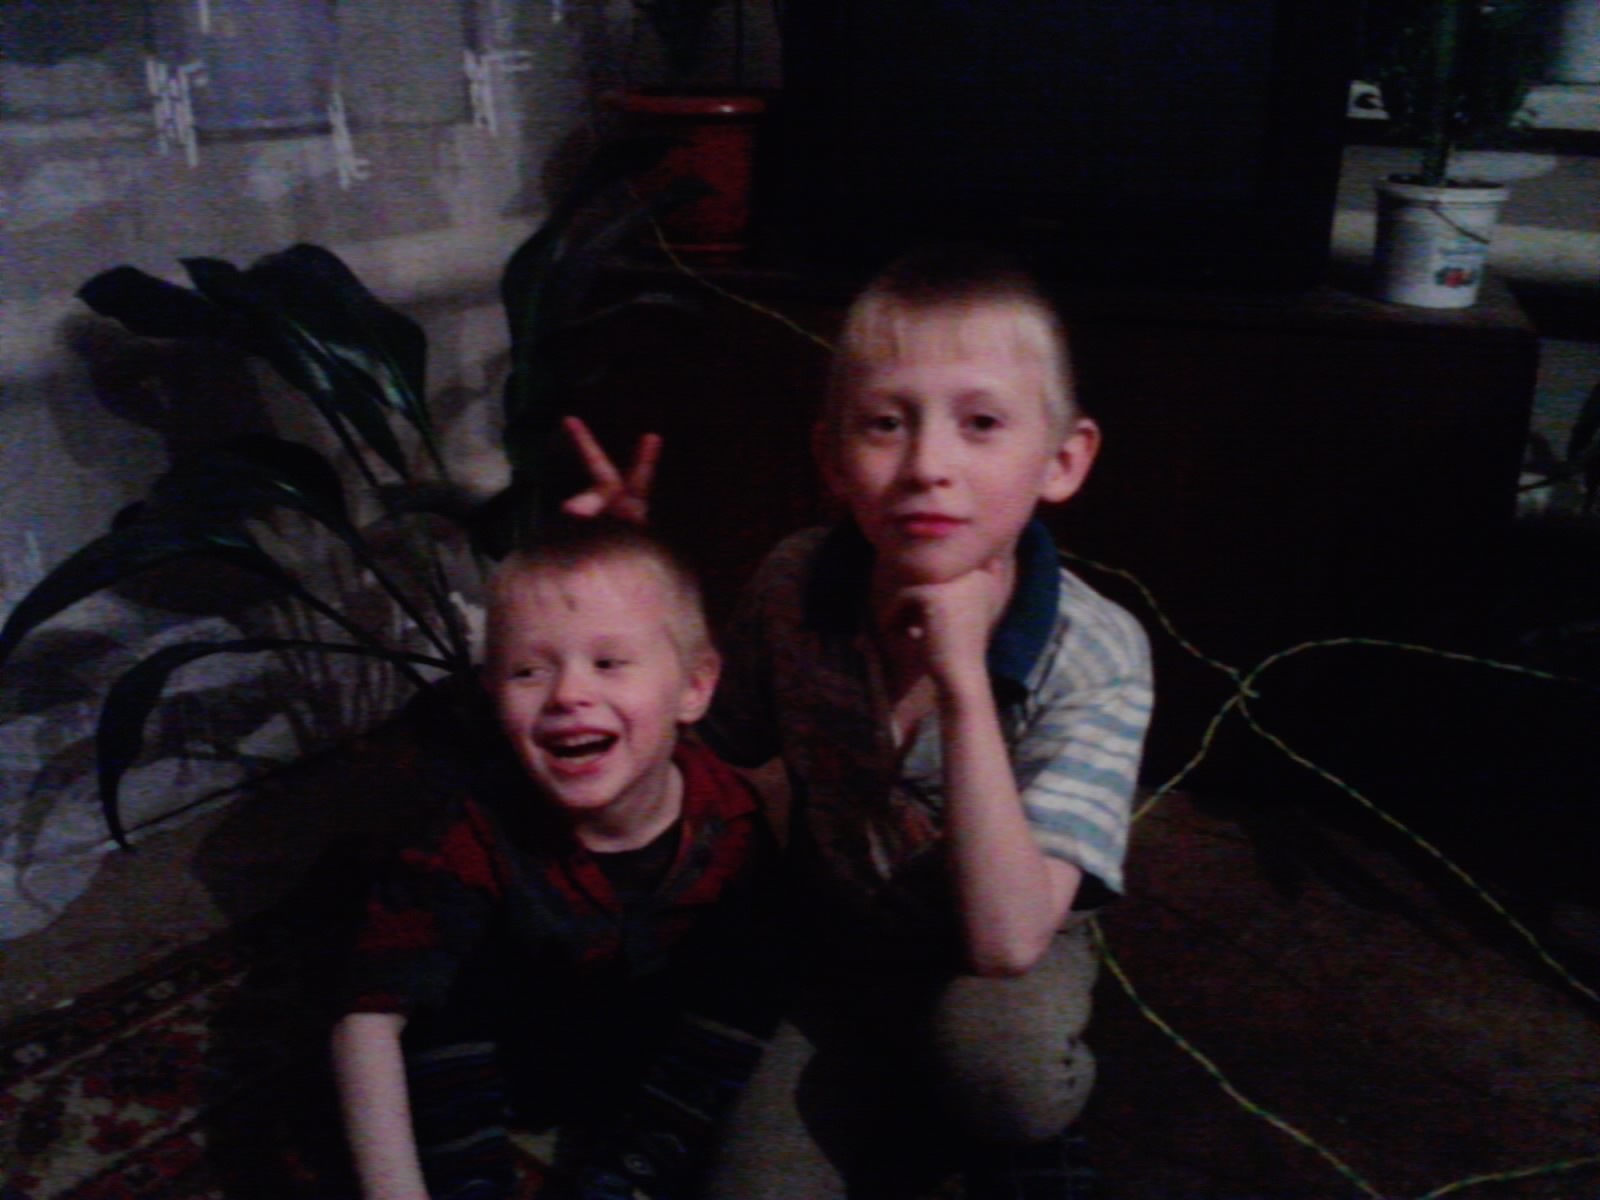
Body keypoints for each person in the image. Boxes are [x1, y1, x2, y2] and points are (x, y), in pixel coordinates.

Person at [562, 244, 1154, 1198]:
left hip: (1003, 942)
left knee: (1006, 1077)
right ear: (832, 458)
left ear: (1062, 460)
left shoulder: (1097, 652)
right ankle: (902, 1088)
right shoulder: (795, 583)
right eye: (885, 423)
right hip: (837, 937)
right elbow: (704, 753)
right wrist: (627, 592)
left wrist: (963, 682)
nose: (927, 466)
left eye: (981, 424)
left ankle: (975, 1108)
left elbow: (1006, 939)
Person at [330, 518, 777, 1200]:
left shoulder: (732, 823)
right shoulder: (464, 835)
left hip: (642, 1058)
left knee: (751, 990)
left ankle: (633, 1169)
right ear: (493, 694)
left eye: (609, 662)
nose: (568, 694)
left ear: (693, 688)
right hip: (504, 1057)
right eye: (528, 671)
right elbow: (368, 1017)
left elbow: (740, 1004)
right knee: (435, 1001)